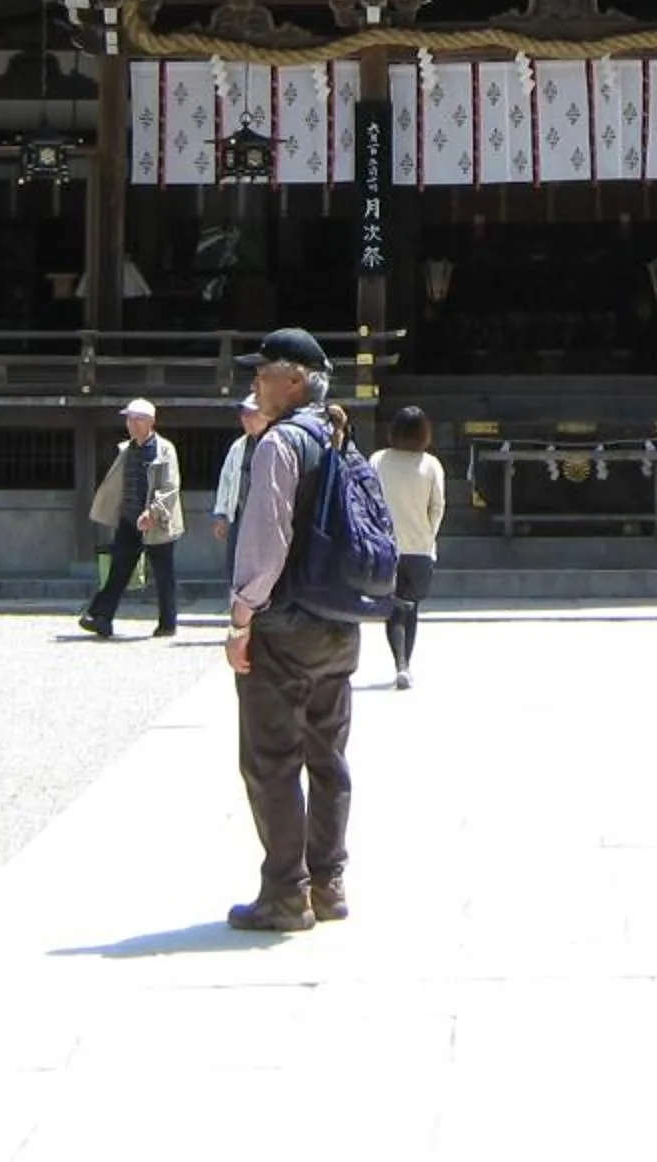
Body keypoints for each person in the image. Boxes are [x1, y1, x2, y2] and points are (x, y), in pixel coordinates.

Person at [223, 325, 360, 932]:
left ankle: (285, 891)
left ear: (297, 378)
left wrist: (241, 616)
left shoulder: (280, 445)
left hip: (284, 624)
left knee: (271, 758)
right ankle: (328, 883)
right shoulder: (339, 438)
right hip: (338, 620)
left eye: (265, 370)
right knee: (327, 755)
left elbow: (266, 539)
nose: (256, 380)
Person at [79, 397, 182, 639]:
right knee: (119, 570)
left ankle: (168, 623)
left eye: (137, 419)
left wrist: (153, 512)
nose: (132, 424)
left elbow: (170, 486)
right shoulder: (127, 449)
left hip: (158, 521)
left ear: (151, 422)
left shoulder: (164, 449)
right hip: (129, 519)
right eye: (129, 419)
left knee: (163, 573)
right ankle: (101, 617)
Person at [370, 404, 445, 689]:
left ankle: (400, 662)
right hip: (419, 549)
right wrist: (428, 535)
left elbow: (367, 498)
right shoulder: (430, 464)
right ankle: (405, 665)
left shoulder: (378, 459)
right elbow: (437, 506)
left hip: (386, 546)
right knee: (411, 608)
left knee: (394, 608)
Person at [210, 392, 265, 544]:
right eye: (243, 414)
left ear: (264, 415)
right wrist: (221, 514)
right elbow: (226, 479)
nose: (246, 419)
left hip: (264, 521)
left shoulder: (274, 443)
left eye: (251, 414)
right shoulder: (238, 446)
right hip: (239, 516)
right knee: (233, 564)